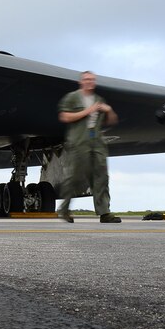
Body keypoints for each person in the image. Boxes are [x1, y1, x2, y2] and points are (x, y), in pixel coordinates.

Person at [57, 71, 121, 223]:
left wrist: (109, 110)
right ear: (81, 82)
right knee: (75, 176)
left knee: (101, 176)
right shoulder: (72, 97)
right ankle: (64, 209)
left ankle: (104, 212)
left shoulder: (99, 99)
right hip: (79, 141)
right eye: (86, 79)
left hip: (97, 141)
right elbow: (64, 116)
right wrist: (88, 111)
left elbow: (111, 121)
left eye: (92, 80)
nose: (89, 82)